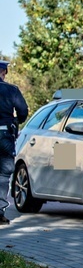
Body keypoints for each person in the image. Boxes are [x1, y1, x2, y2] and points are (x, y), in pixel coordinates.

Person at [0, 60, 29, 224]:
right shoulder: (11, 90)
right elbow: (23, 111)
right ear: (3, 73)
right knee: (4, 174)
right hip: (4, 134)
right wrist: (16, 120)